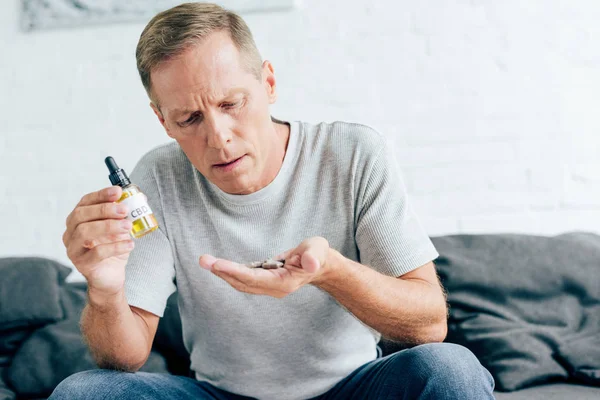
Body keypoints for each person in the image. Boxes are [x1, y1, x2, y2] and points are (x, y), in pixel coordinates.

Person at [53, 2, 495, 399]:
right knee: (84, 393)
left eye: (232, 103)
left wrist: (331, 272)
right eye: (189, 118)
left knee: (449, 368)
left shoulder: (352, 154)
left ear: (268, 82)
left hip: (352, 389)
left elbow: (429, 325)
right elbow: (123, 359)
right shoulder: (157, 178)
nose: (218, 138)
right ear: (162, 120)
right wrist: (106, 290)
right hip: (221, 395)